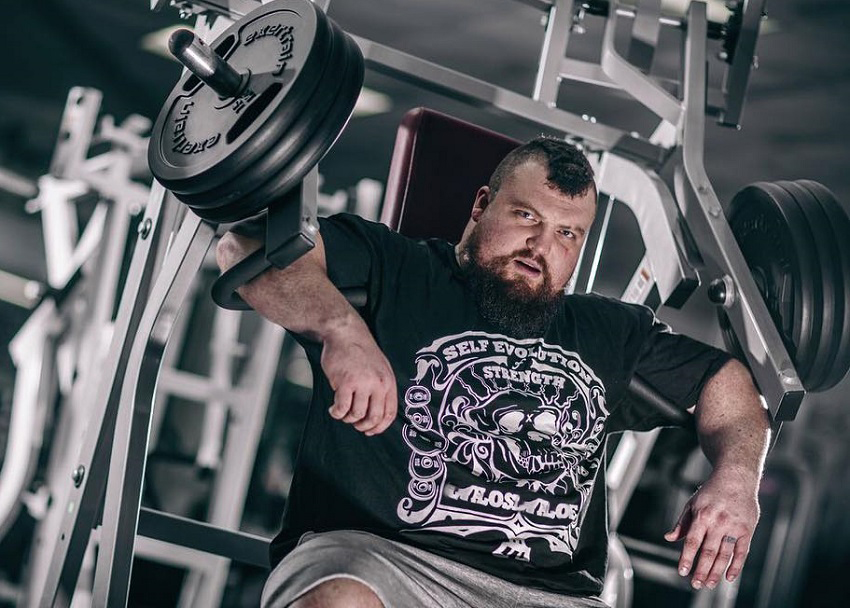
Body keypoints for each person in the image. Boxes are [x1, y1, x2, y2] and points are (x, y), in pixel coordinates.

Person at [216, 137, 770, 608]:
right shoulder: (396, 267)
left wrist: (738, 478)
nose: (540, 246)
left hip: (547, 594)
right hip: (381, 563)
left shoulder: (611, 332)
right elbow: (247, 248)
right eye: (527, 216)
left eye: (567, 234)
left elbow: (727, 383)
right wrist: (342, 330)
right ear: (482, 205)